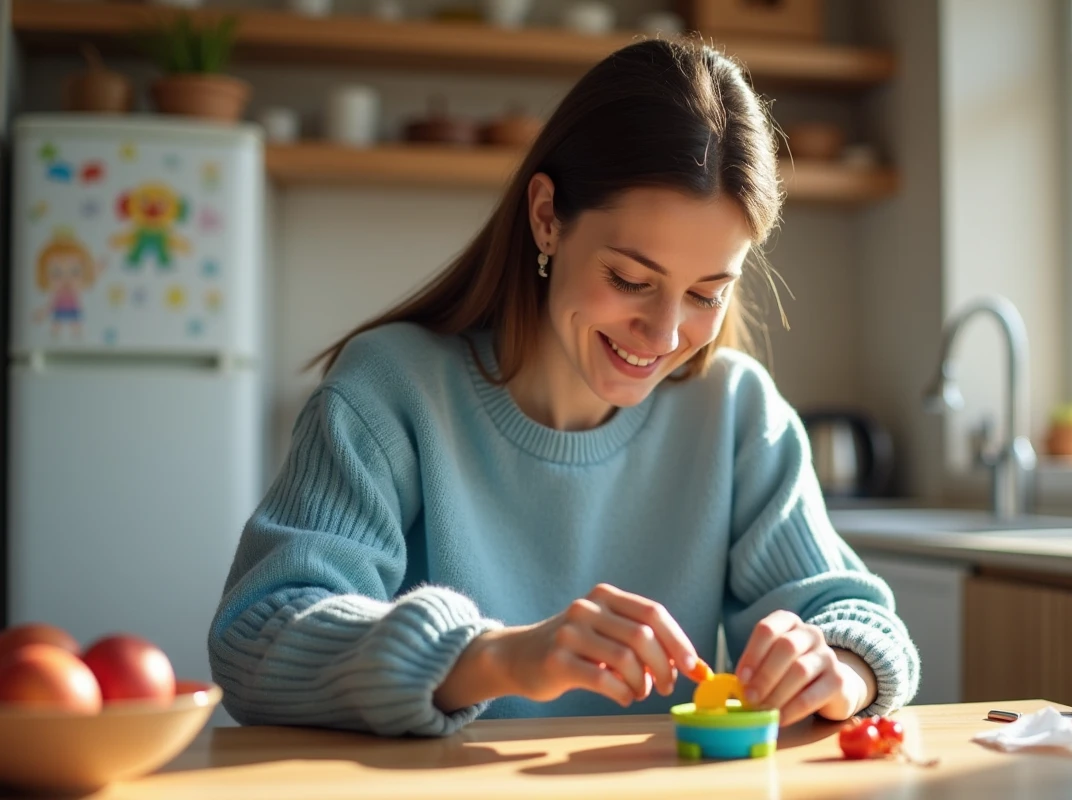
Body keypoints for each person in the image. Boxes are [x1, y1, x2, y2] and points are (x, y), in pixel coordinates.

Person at [208, 38, 919, 738]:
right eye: (630, 281)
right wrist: (495, 658)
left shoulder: (735, 411)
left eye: (709, 293)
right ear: (547, 217)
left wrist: (839, 667)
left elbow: (856, 621)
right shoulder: (390, 390)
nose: (665, 334)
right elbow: (258, 639)